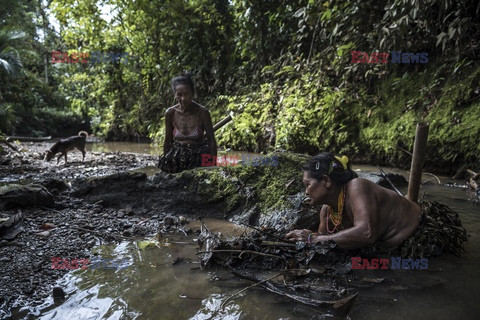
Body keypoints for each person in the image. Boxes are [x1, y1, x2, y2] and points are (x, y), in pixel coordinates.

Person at [285, 152, 421, 249]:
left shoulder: (357, 186)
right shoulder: (327, 212)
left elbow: (366, 233)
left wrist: (314, 239)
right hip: (388, 250)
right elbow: (323, 241)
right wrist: (308, 236)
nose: (306, 192)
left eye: (308, 184)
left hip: (418, 236)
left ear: (326, 181)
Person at [158, 73, 217, 173]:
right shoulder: (170, 113)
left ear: (192, 94)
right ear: (175, 95)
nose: (183, 98)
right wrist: (166, 162)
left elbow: (211, 141)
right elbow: (168, 141)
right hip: (177, 157)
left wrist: (212, 165)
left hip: (198, 156)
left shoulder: (203, 112)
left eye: (186, 94)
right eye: (179, 95)